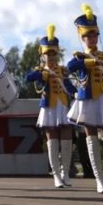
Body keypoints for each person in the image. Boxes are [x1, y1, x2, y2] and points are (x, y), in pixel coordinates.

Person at [67, 5, 103, 193]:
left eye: (94, 35)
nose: (91, 39)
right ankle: (99, 179)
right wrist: (90, 62)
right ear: (82, 38)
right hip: (88, 100)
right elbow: (71, 67)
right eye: (87, 36)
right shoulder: (79, 57)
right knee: (91, 137)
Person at [26, 26, 75, 189]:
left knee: (67, 139)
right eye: (48, 53)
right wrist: (42, 75)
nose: (51, 57)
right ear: (42, 54)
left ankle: (65, 173)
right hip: (49, 107)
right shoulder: (40, 70)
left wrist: (76, 93)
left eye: (54, 53)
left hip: (63, 106)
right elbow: (28, 78)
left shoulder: (62, 70)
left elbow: (70, 87)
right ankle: (56, 175)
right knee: (52, 140)